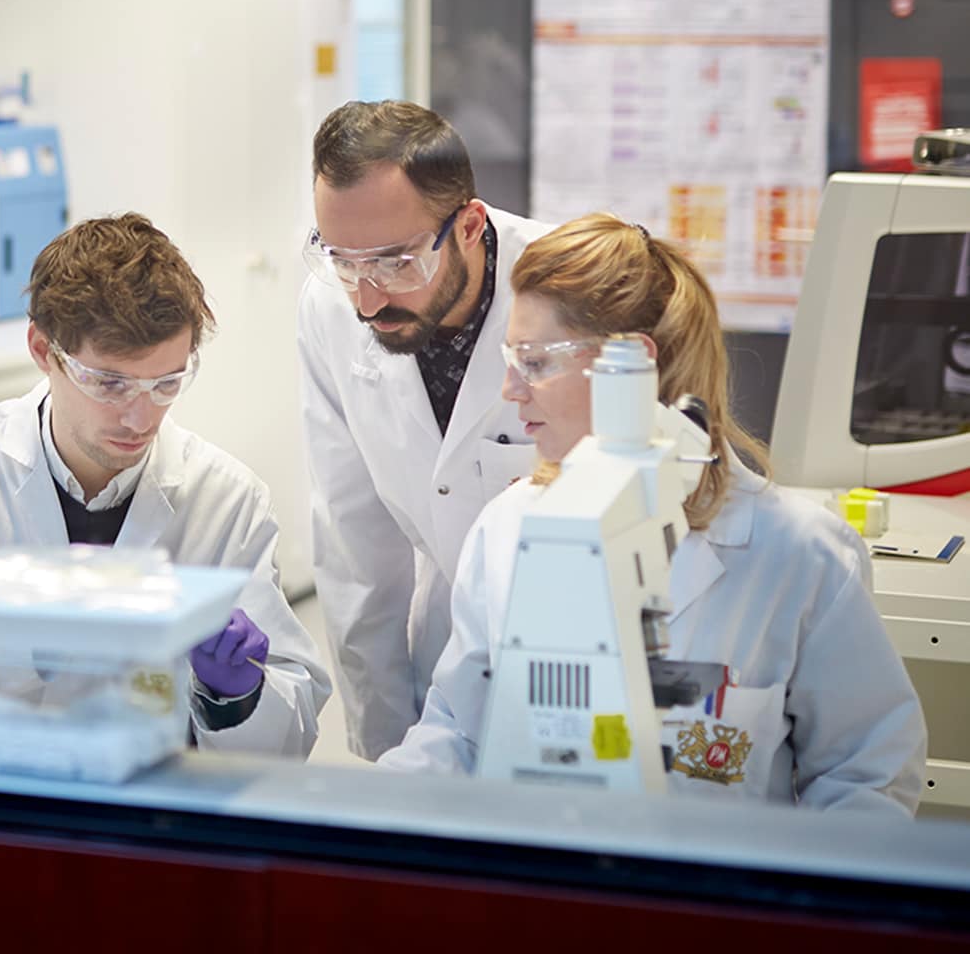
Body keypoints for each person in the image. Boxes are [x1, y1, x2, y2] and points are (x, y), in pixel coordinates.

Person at [378, 214, 927, 814]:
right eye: (511, 359)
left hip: (715, 898)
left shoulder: (799, 553)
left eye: (534, 361)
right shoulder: (510, 527)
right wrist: (359, 819)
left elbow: (867, 778)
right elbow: (458, 731)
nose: (509, 390)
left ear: (631, 368)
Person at [0, 213, 332, 758]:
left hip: (147, 806)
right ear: (44, 351)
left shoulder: (227, 500)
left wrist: (237, 693)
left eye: (166, 384)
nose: (140, 418)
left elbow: (291, 733)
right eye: (110, 384)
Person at [298, 100, 549, 759]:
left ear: (468, 226)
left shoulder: (565, 290)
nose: (367, 298)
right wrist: (384, 741)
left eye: (395, 262)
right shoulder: (330, 306)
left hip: (577, 646)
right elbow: (356, 538)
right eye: (343, 260)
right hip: (445, 656)